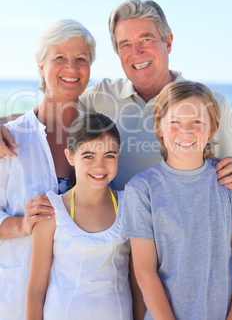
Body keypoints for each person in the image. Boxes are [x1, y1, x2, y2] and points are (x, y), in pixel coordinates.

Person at [0, 0, 232, 201]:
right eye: (125, 45)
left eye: (146, 39)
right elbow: (53, 114)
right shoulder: (100, 98)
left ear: (168, 42)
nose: (137, 53)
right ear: (117, 53)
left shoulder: (211, 105)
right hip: (125, 249)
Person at [120, 81, 232, 320]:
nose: (186, 131)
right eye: (175, 122)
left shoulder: (227, 182)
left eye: (196, 122)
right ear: (160, 127)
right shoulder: (142, 190)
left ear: (212, 129)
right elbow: (144, 271)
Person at [0, 19, 96, 319]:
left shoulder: (100, 138)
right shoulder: (10, 138)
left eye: (81, 59)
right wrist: (21, 225)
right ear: (41, 66)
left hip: (82, 302)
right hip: (16, 299)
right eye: (60, 58)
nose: (72, 67)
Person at [26, 113, 144, 320]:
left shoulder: (130, 207)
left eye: (109, 155)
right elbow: (36, 291)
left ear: (119, 154)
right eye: (88, 156)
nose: (99, 166)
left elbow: (138, 285)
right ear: (70, 157)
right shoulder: (52, 211)